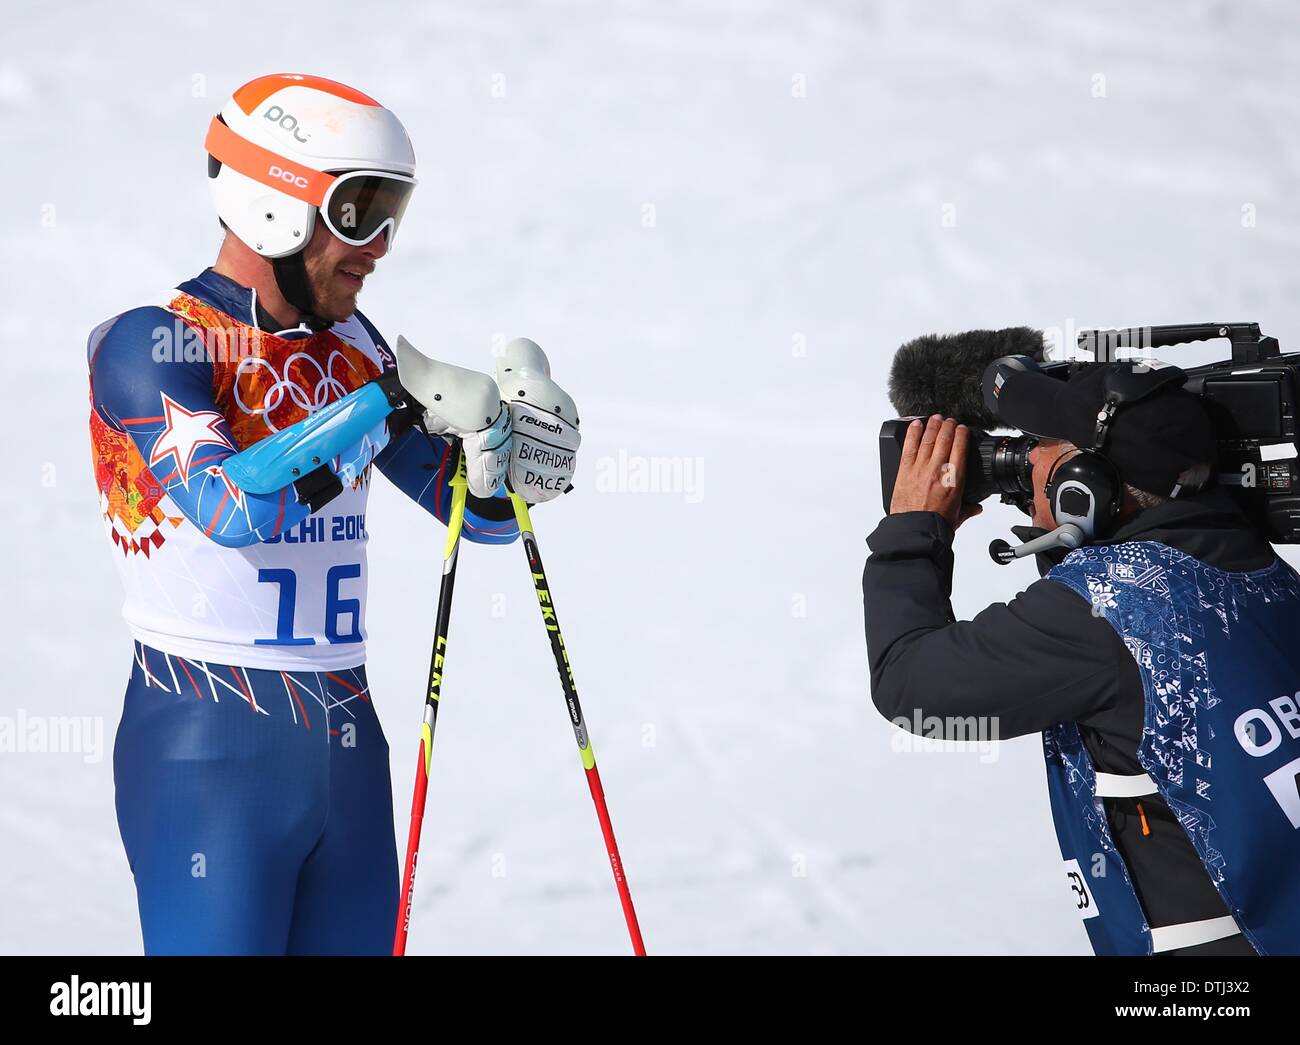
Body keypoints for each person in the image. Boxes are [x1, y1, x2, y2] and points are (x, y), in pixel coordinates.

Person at [87, 73, 581, 955]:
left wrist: (513, 458)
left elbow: (475, 517)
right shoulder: (152, 341)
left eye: (395, 212)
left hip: (347, 747)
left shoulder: (353, 347)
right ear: (271, 200)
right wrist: (385, 400)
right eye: (359, 211)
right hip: (206, 747)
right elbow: (231, 505)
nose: (380, 246)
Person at [863, 359, 1300, 955]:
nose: (1021, 462)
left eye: (1038, 447)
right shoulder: (1259, 572)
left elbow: (911, 686)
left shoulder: (1112, 610)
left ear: (1086, 484)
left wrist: (913, 528)